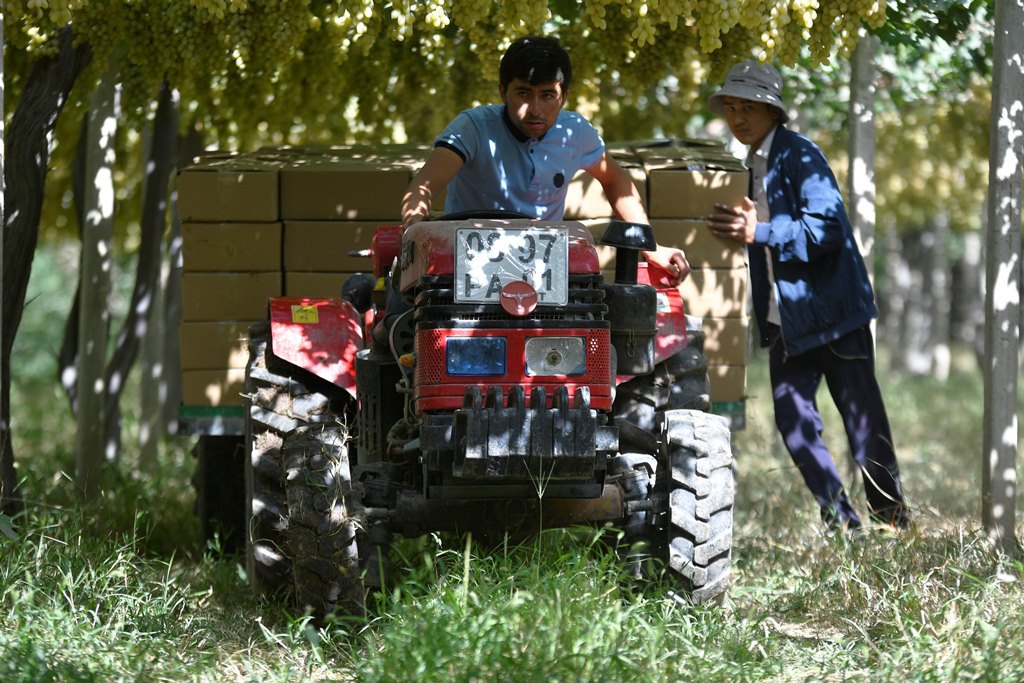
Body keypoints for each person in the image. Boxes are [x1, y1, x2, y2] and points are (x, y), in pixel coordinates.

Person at [706, 60, 910, 533]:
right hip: (788, 322)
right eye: (732, 107)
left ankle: (893, 522)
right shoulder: (749, 165)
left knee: (864, 426)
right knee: (794, 423)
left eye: (749, 108)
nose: (738, 118)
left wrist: (759, 230)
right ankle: (841, 522)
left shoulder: (801, 155)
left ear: (773, 111)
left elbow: (828, 230)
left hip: (835, 314)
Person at [401, 35, 689, 285]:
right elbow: (424, 186)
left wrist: (650, 246)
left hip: (544, 270)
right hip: (466, 266)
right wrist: (415, 230)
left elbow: (616, 180)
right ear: (503, 91)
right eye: (523, 93)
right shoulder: (473, 128)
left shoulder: (575, 132)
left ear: (564, 97)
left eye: (547, 95)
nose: (535, 109)